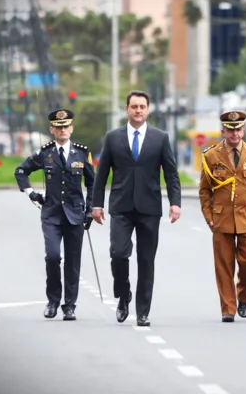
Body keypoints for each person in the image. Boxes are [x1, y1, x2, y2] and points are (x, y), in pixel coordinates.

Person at [91, 90, 182, 327]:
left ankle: (143, 311)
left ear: (148, 109)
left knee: (146, 260)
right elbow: (101, 175)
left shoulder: (160, 138)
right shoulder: (112, 137)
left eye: (142, 106)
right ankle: (123, 293)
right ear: (127, 109)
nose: (138, 110)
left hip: (149, 208)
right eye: (134, 106)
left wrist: (175, 202)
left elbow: (171, 173)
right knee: (118, 254)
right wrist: (96, 204)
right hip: (120, 207)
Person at [14, 108, 95, 321]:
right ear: (52, 129)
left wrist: (90, 209)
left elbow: (92, 183)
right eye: (58, 127)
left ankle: (69, 306)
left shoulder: (81, 153)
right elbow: (21, 171)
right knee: (52, 256)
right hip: (51, 214)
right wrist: (30, 192)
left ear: (72, 128)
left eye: (66, 126)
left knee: (72, 261)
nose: (63, 130)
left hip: (75, 215)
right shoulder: (45, 153)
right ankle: (53, 301)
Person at [198, 111, 246, 323]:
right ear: (223, 131)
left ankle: (243, 296)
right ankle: (228, 309)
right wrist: (208, 215)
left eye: (238, 129)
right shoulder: (211, 155)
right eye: (230, 130)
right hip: (221, 219)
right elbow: (205, 190)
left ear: (243, 130)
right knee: (224, 266)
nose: (234, 134)